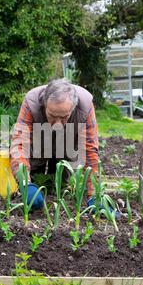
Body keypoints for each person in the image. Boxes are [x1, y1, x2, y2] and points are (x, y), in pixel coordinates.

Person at [10, 78, 104, 213]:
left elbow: (90, 151)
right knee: (36, 176)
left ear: (73, 107)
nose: (58, 124)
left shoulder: (85, 105)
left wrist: (95, 194)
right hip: (40, 138)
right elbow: (19, 144)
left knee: (61, 182)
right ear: (44, 104)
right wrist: (25, 183)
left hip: (68, 141)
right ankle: (34, 185)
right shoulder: (32, 102)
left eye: (64, 117)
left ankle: (59, 185)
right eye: (52, 116)